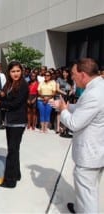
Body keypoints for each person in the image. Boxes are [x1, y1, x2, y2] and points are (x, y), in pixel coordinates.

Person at [51, 58, 104, 213]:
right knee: (89, 191)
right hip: (97, 151)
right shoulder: (98, 86)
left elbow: (74, 123)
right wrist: (67, 106)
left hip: (89, 154)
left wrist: (63, 111)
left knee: (88, 195)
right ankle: (80, 208)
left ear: (83, 74)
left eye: (73, 74)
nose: (72, 77)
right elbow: (84, 108)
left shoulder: (94, 93)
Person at [0, 61, 28, 188]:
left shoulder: (23, 85)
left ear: (21, 71)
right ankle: (16, 174)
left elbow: (16, 104)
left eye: (18, 71)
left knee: (12, 151)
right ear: (9, 73)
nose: (15, 73)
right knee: (14, 150)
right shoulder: (10, 84)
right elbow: (5, 96)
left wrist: (0, 104)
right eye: (13, 71)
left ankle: (10, 181)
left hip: (18, 121)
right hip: (10, 121)